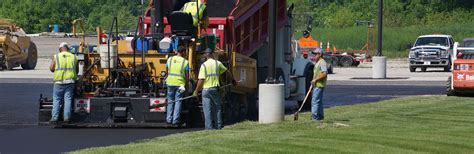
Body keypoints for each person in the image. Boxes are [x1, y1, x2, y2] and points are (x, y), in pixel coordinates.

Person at [193, 48, 236, 129]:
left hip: (206, 90)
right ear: (212, 54)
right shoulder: (217, 63)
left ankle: (209, 128)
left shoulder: (204, 66)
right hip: (215, 89)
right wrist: (233, 80)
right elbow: (227, 72)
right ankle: (218, 126)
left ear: (206, 55)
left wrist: (196, 91)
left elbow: (201, 80)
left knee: (207, 110)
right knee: (217, 109)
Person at [49, 42, 78, 123]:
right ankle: (67, 118)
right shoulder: (74, 57)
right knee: (68, 99)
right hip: (70, 81)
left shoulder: (56, 56)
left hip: (58, 82)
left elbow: (51, 68)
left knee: (57, 99)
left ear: (60, 49)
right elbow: (77, 70)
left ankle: (55, 118)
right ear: (67, 49)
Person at [166, 46, 190, 127]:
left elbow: (167, 70)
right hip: (180, 85)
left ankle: (168, 119)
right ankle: (175, 120)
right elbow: (187, 76)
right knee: (178, 101)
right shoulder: (185, 62)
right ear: (183, 52)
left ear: (177, 51)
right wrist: (186, 85)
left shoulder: (170, 59)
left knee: (170, 101)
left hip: (170, 83)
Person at [310, 48, 328, 121]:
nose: (314, 56)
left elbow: (324, 73)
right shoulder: (318, 62)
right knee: (319, 101)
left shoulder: (322, 62)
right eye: (314, 54)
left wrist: (315, 80)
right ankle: (320, 117)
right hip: (316, 84)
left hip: (319, 84)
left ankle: (314, 117)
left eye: (316, 54)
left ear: (320, 54)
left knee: (314, 101)